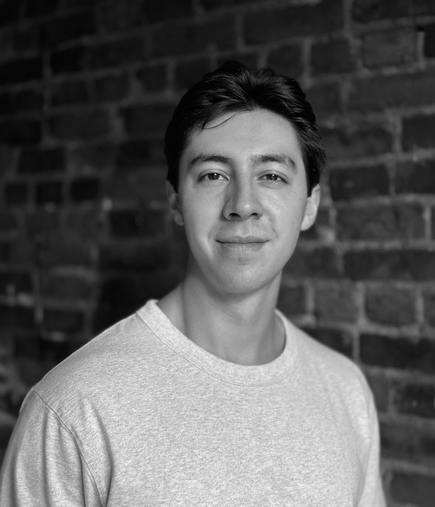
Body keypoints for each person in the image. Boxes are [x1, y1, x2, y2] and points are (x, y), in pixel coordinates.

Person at [0, 61, 386, 506]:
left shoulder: (346, 392)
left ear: (310, 205)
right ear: (176, 201)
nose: (242, 204)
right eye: (213, 175)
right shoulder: (73, 410)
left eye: (272, 176)